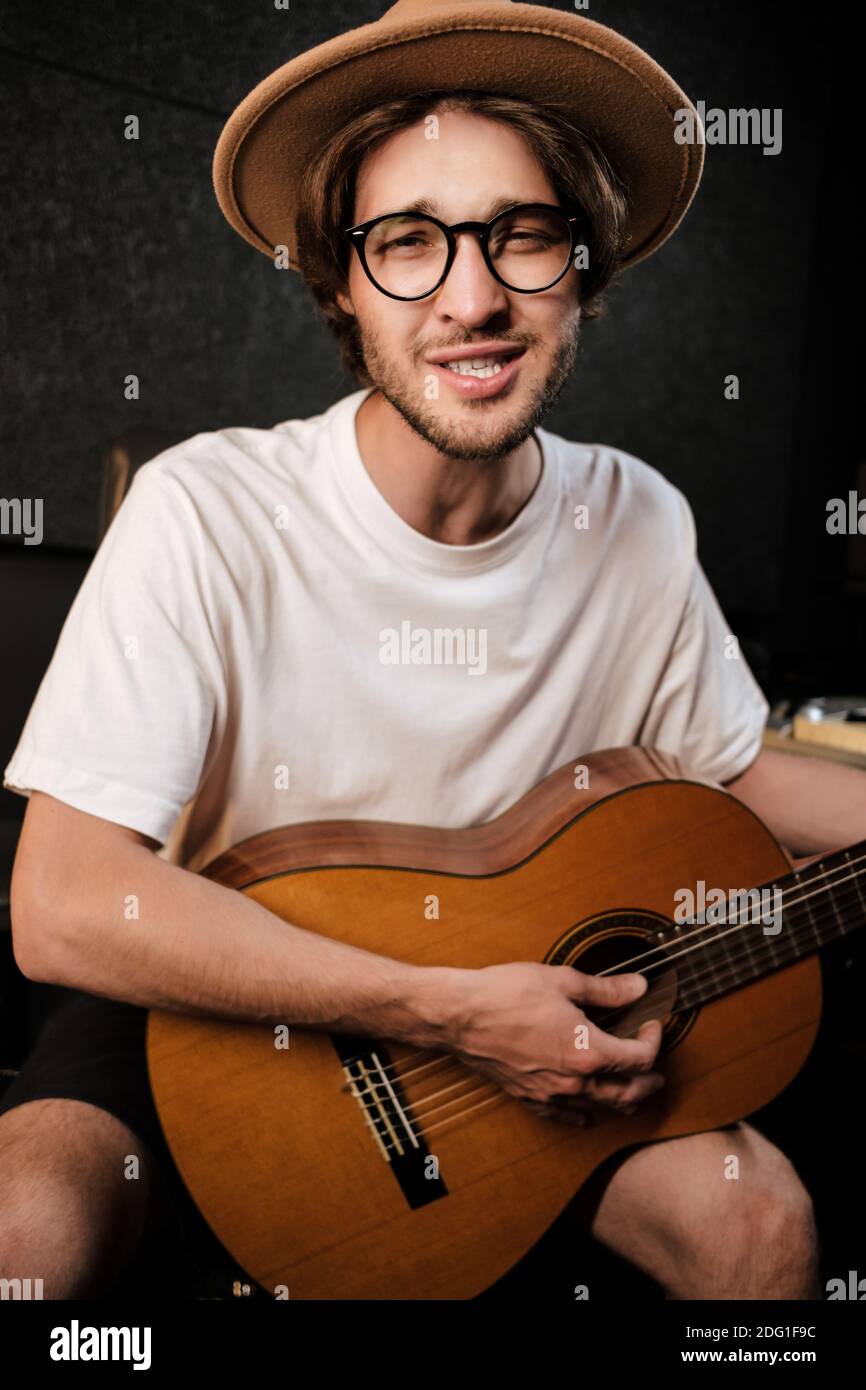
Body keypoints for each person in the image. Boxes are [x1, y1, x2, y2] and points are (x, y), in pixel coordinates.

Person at [2, 0, 863, 1301]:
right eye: (407, 242)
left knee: (761, 1233)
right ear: (339, 284)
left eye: (522, 236)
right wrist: (449, 1011)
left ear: (584, 264)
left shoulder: (632, 516)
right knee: (24, 1238)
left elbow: (729, 772)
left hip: (527, 1002)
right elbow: (64, 903)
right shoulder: (207, 507)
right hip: (211, 1011)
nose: (472, 299)